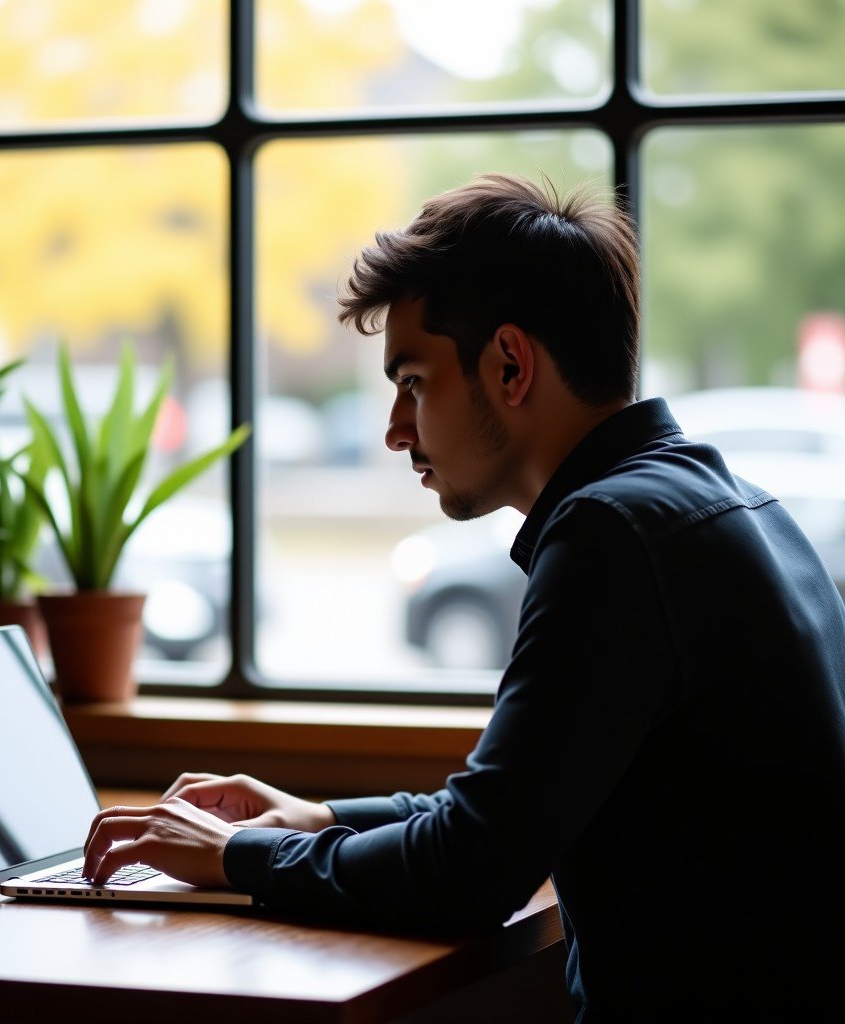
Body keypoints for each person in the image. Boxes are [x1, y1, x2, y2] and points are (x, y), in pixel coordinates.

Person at [83, 174, 845, 1021]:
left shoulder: (611, 537)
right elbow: (509, 809)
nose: (394, 429)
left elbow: (473, 869)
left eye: (412, 380)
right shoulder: (727, 506)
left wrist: (238, 857)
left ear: (510, 364)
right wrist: (315, 816)